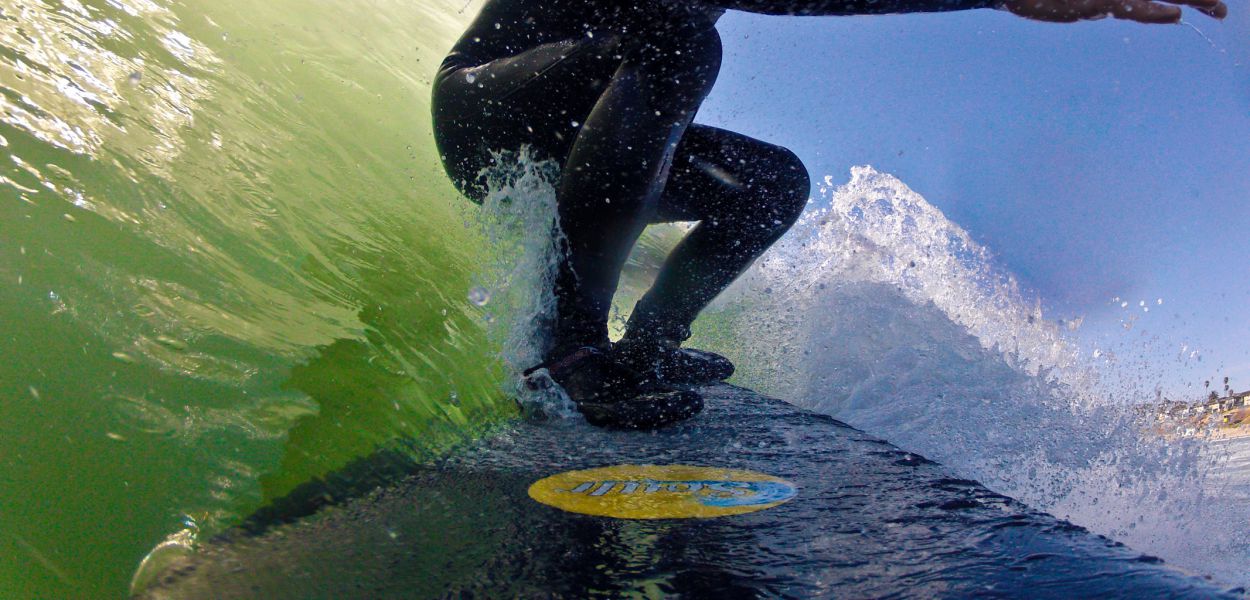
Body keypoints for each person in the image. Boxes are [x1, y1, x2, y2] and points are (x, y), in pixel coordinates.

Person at [432, 0, 1226, 429]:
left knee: (774, 182)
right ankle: (568, 352)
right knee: (680, 37)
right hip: (493, 110)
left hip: (592, 132)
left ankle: (650, 346)